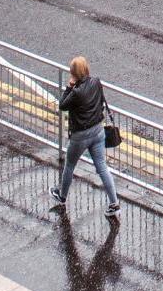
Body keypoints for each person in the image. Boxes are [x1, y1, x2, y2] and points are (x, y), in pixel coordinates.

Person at [50, 56, 118, 219]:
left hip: (80, 135)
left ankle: (62, 196)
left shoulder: (76, 93)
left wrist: (69, 87)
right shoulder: (96, 82)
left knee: (70, 165)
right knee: (102, 167)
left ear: (74, 74)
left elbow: (62, 105)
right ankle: (114, 203)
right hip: (98, 131)